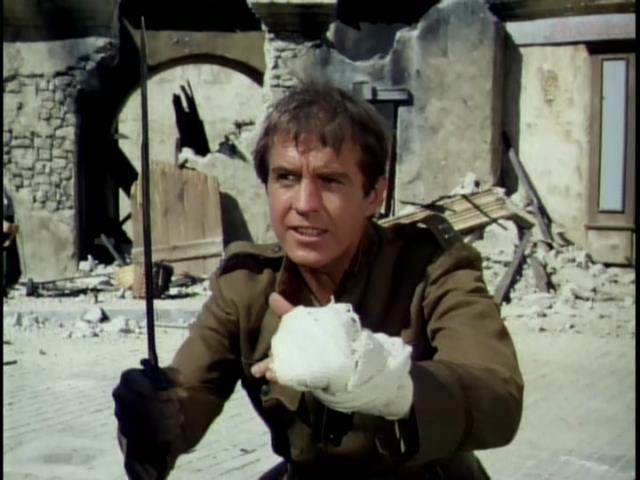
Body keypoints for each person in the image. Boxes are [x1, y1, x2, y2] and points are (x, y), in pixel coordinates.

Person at [112, 83, 524, 479]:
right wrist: (151, 417)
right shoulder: (247, 287)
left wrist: (385, 382)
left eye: (330, 181)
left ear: (374, 195)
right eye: (287, 178)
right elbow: (186, 401)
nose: (305, 205)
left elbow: (498, 396)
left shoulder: (431, 268)